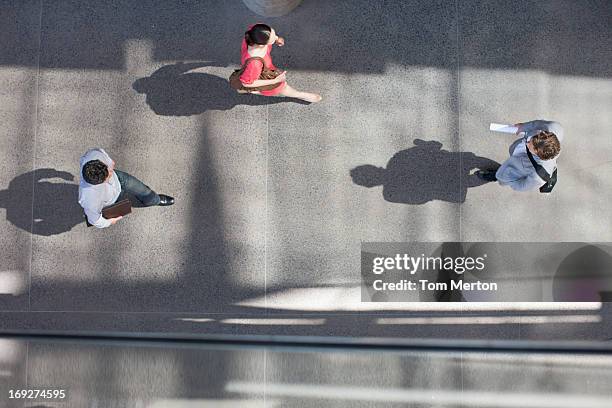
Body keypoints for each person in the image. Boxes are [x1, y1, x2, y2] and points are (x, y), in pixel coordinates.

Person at [78, 148, 174, 228]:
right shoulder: (88, 199)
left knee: (144, 190)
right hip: (113, 199)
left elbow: (104, 155)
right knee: (132, 195)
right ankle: (150, 199)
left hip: (119, 179)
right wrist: (110, 222)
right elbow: (95, 220)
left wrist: (110, 165)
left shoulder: (94, 155)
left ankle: (154, 200)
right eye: (108, 175)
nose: (111, 172)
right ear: (98, 183)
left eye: (108, 169)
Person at [239, 23, 322, 103]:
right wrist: (275, 81)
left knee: (249, 76)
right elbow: (246, 83)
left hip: (255, 70)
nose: (275, 37)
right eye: (271, 40)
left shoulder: (256, 30)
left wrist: (276, 39)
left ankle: (248, 90)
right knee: (283, 87)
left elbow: (269, 35)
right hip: (263, 75)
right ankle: (301, 95)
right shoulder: (254, 64)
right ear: (261, 45)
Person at [477, 120, 563, 191]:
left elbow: (521, 186)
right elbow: (537, 124)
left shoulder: (539, 175)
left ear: (537, 153)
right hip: (518, 157)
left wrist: (509, 179)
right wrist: (523, 127)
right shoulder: (554, 127)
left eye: (530, 145)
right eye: (532, 138)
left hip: (514, 172)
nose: (527, 142)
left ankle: (496, 176)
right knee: (508, 162)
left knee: (501, 177)